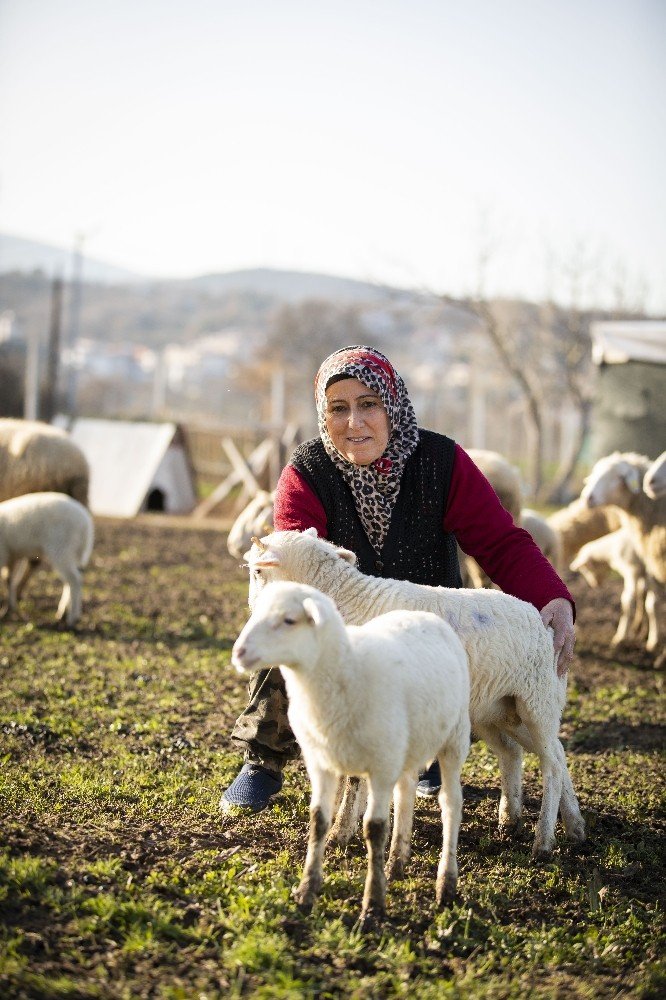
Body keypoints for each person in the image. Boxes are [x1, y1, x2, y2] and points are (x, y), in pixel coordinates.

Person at [221, 345, 575, 813]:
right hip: (341, 615)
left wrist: (552, 597)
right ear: (323, 417)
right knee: (285, 613)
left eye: (369, 404)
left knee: (442, 648)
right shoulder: (307, 473)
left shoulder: (441, 462)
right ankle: (263, 757)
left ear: (393, 404)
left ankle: (426, 754)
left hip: (425, 605)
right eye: (339, 409)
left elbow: (500, 541)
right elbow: (288, 557)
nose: (355, 422)